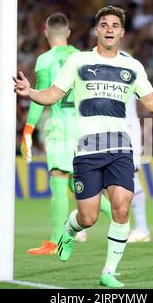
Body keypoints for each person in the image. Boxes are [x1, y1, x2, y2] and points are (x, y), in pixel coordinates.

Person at [14, 6, 153, 287]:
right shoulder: (78, 61)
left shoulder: (133, 66)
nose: (109, 29)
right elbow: (53, 94)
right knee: (89, 216)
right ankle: (70, 230)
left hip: (119, 148)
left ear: (122, 32)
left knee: (121, 206)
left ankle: (108, 272)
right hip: (87, 150)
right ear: (96, 30)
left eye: (115, 25)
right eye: (104, 24)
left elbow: (152, 103)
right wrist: (29, 92)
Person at [22, 13, 112, 256]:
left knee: (59, 178)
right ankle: (120, 217)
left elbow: (40, 98)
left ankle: (54, 242)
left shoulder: (45, 60)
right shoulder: (82, 57)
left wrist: (28, 130)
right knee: (77, 184)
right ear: (69, 34)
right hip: (85, 128)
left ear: (46, 33)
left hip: (61, 128)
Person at [125, 95, 150, 243]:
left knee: (132, 176)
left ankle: (142, 228)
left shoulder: (132, 71)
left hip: (128, 130)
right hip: (109, 130)